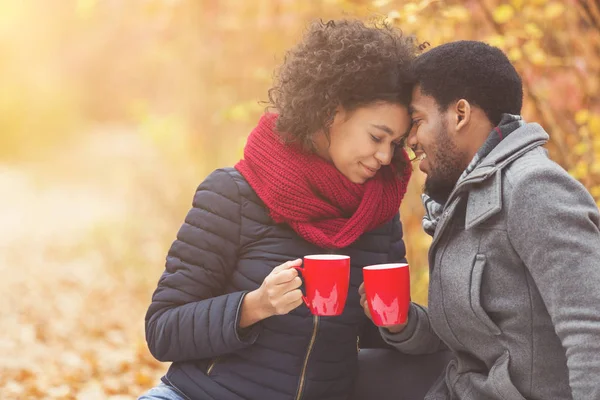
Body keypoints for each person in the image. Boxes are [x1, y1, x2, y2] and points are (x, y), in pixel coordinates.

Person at [138, 19, 449, 400]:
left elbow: (379, 347)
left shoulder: (378, 216)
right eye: (376, 137)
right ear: (331, 112)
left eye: (396, 143)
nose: (386, 157)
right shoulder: (233, 194)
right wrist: (253, 307)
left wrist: (400, 325)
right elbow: (162, 330)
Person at [378, 40, 600, 400]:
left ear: (460, 114)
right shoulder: (463, 200)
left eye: (417, 121)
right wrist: (401, 322)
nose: (411, 141)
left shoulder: (533, 187)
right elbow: (476, 338)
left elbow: (591, 330)